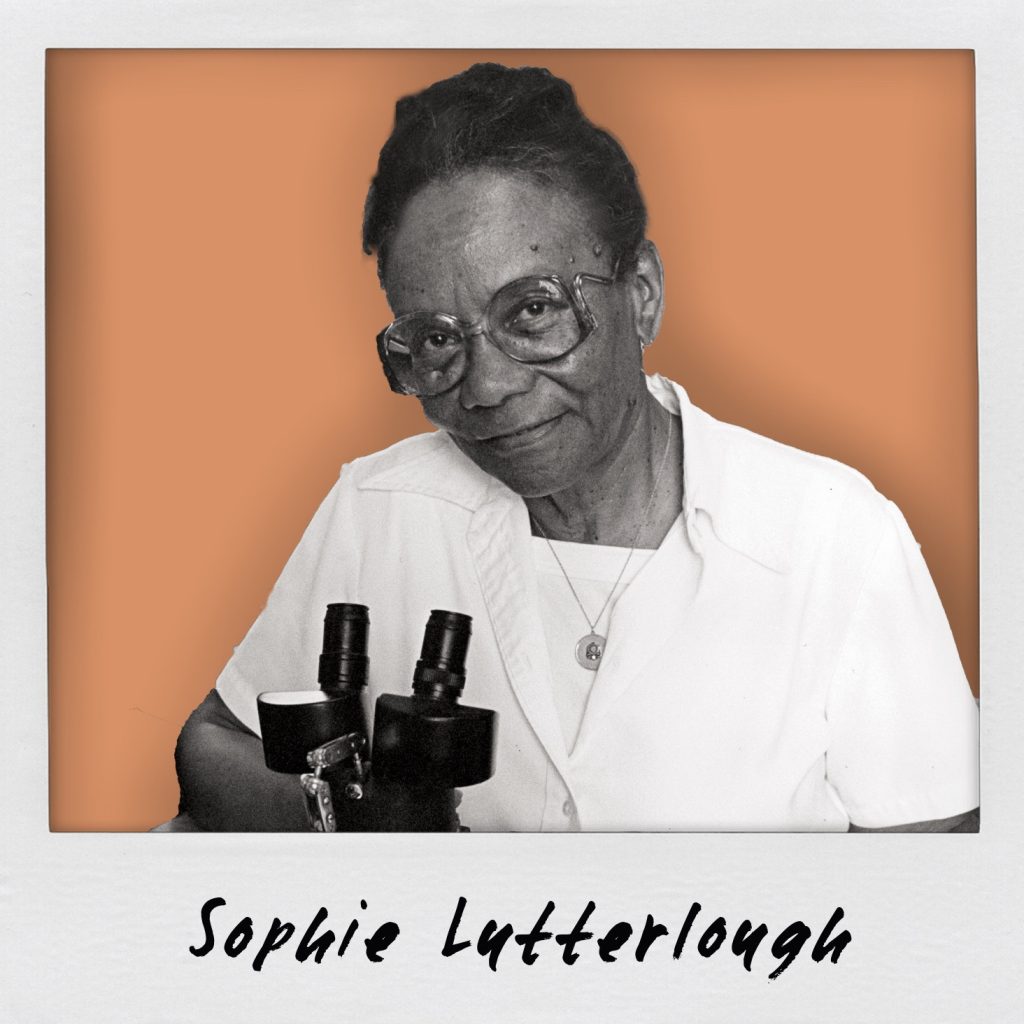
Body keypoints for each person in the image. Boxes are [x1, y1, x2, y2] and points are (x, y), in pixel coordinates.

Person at [173, 62, 979, 833]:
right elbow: (213, 744)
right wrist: (359, 830)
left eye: (531, 311)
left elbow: (930, 872)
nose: (484, 387)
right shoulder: (377, 508)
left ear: (642, 296)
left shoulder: (836, 537)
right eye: (435, 340)